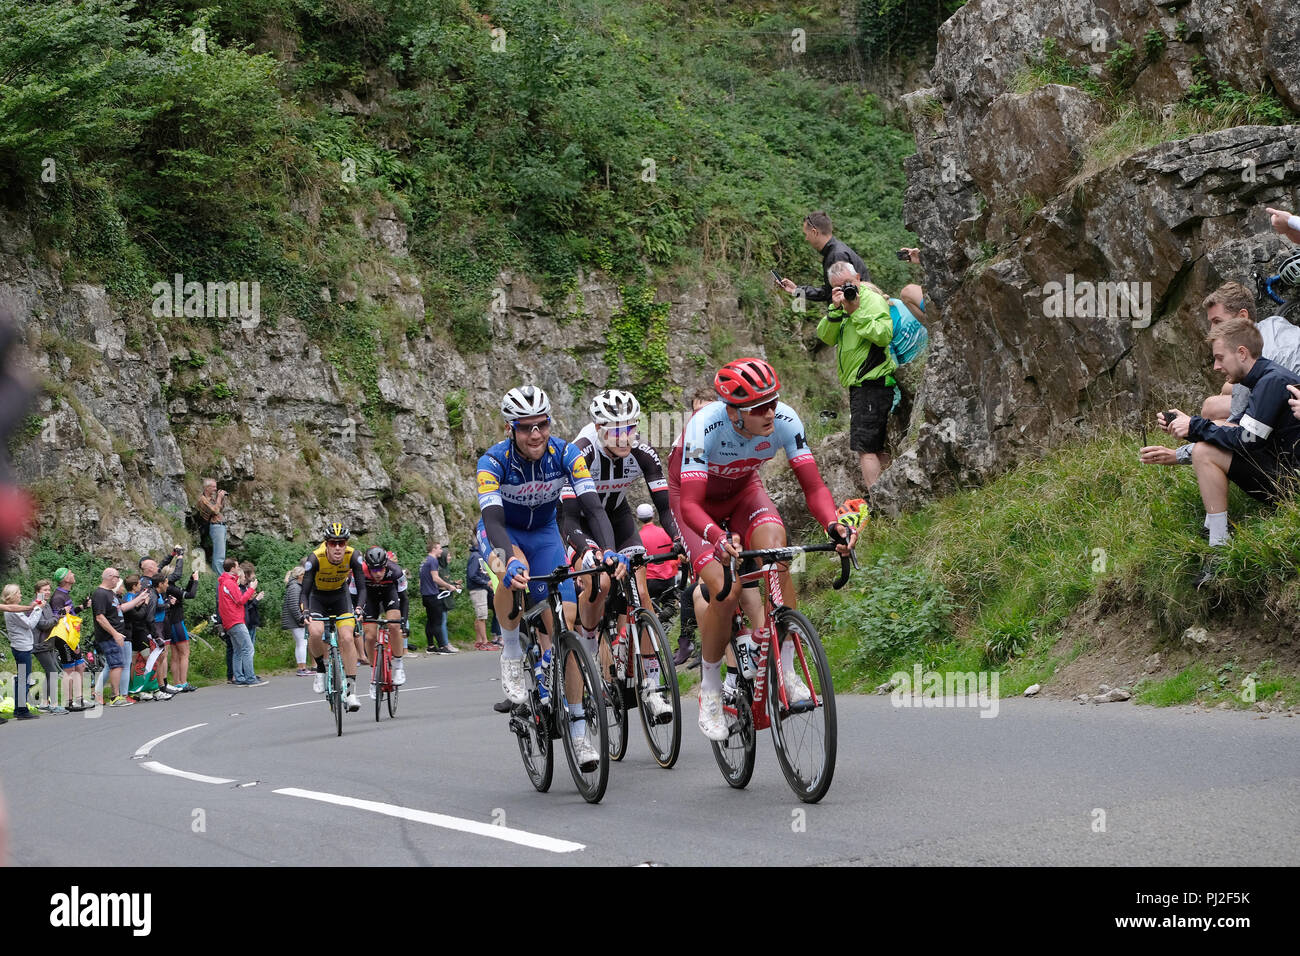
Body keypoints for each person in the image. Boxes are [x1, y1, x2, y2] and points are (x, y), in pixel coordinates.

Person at [668, 358, 857, 740]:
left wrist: (833, 522)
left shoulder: (785, 421)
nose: (771, 412)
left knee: (777, 551)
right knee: (727, 588)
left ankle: (786, 669)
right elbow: (689, 505)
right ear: (734, 411)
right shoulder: (704, 427)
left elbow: (813, 486)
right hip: (695, 505)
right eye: (759, 407)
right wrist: (715, 537)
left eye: (773, 401)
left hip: (744, 494)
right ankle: (709, 687)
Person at [474, 384, 622, 772]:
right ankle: (509, 650)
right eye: (525, 428)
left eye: (541, 425)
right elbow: (492, 519)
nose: (535, 434)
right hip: (504, 532)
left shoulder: (566, 454)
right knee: (511, 570)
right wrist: (508, 559)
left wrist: (606, 549)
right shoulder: (492, 462)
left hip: (543, 534)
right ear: (511, 429)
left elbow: (591, 506)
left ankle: (577, 730)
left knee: (565, 623)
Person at [558, 389, 680, 721]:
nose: (625, 436)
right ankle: (586, 646)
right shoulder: (580, 452)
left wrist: (680, 539)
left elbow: (665, 509)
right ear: (599, 429)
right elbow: (569, 518)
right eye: (616, 429)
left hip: (617, 517)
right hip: (578, 522)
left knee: (642, 594)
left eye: (631, 427)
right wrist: (595, 552)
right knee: (599, 584)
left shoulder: (641, 452)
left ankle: (653, 687)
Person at [1158, 317, 1300, 567]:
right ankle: (1217, 539)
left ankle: (1218, 546)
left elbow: (1246, 440)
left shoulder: (1271, 381)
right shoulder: (1263, 380)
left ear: (1242, 353)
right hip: (1286, 475)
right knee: (1205, 448)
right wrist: (1191, 426)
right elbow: (1246, 436)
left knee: (1205, 451)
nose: (1215, 366)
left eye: (1220, 357)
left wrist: (1194, 426)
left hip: (1292, 486)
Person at [815, 261, 898, 489]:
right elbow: (826, 337)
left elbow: (884, 335)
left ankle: (878, 502)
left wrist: (856, 312)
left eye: (848, 284)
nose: (846, 290)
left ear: (858, 278)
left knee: (866, 449)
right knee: (876, 448)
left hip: (872, 383)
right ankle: (894, 494)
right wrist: (835, 309)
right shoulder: (839, 306)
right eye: (838, 287)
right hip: (861, 387)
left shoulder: (872, 300)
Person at [301, 523, 367, 710]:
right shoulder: (315, 558)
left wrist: (360, 608)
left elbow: (362, 587)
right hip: (317, 597)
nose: (337, 547)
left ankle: (352, 692)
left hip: (340, 597)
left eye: (341, 542)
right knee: (315, 631)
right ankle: (321, 669)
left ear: (346, 543)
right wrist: (305, 611)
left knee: (347, 637)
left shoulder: (353, 556)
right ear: (326, 544)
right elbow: (304, 592)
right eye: (333, 543)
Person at [777, 210, 872, 305]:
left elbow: (841, 297)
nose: (806, 239)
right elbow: (829, 291)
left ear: (814, 232)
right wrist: (796, 289)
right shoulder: (834, 252)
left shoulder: (837, 255)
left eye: (806, 234)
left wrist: (798, 290)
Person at [91, 568, 146, 707]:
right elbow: (100, 617)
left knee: (118, 664)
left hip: (117, 634)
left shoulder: (111, 594)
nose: (118, 580)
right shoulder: (100, 594)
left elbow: (121, 608)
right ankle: (115, 696)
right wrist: (115, 633)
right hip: (109, 636)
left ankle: (115, 695)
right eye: (117, 577)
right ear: (110, 577)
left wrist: (140, 598)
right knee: (116, 665)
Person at [360, 546, 407, 685]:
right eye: (374, 570)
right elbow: (353, 596)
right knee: (369, 636)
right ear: (368, 566)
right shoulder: (359, 572)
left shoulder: (396, 571)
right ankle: (375, 673)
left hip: (389, 594)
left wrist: (403, 622)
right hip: (369, 598)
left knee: (394, 625)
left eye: (381, 568)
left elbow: (404, 599)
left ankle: (399, 666)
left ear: (386, 564)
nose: (378, 573)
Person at [218, 558, 266, 686]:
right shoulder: (229, 583)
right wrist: (251, 589)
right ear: (233, 568)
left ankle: (239, 677)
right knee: (248, 648)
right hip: (235, 620)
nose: (239, 568)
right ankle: (250, 678)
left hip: (230, 621)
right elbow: (240, 600)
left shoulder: (224, 582)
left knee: (238, 650)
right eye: (237, 566)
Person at [3, 583, 45, 719]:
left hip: (21, 646)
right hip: (21, 647)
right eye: (19, 593)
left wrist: (33, 607)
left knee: (22, 678)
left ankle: (19, 708)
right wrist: (38, 610)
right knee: (23, 679)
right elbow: (30, 624)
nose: (21, 595)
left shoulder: (14, 610)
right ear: (13, 595)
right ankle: (21, 710)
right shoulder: (12, 611)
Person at [418, 542, 461, 654]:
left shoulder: (424, 561)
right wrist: (449, 586)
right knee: (437, 621)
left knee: (430, 621)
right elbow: (435, 578)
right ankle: (442, 647)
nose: (441, 551)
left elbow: (420, 580)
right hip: (432, 595)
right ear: (433, 549)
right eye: (440, 548)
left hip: (425, 595)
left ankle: (431, 646)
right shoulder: (433, 561)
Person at [163, 566, 199, 691]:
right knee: (184, 653)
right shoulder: (172, 588)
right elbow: (191, 594)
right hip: (177, 622)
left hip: (169, 623)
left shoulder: (167, 588)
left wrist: (191, 580)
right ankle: (183, 682)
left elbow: (184, 592)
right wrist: (196, 581)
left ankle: (177, 682)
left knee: (175, 654)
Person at [466, 536, 494, 649]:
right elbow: (472, 574)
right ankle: (485, 642)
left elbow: (481, 572)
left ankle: (478, 641)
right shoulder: (476, 556)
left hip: (482, 589)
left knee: (480, 615)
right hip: (478, 589)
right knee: (482, 615)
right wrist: (485, 583)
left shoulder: (479, 556)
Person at [195, 478, 228, 573]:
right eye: (213, 487)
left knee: (221, 554)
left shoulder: (212, 499)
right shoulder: (203, 499)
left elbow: (220, 509)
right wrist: (219, 498)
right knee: (219, 556)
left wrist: (222, 499)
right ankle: (221, 579)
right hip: (215, 526)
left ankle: (218, 578)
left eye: (216, 486)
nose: (215, 489)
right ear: (206, 488)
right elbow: (215, 510)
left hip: (221, 526)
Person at [283, 565, 309, 675]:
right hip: (295, 620)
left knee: (300, 643)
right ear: (299, 576)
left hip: (293, 619)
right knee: (302, 643)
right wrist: (301, 618)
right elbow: (294, 605)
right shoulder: (295, 587)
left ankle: (301, 667)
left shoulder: (294, 586)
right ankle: (302, 668)